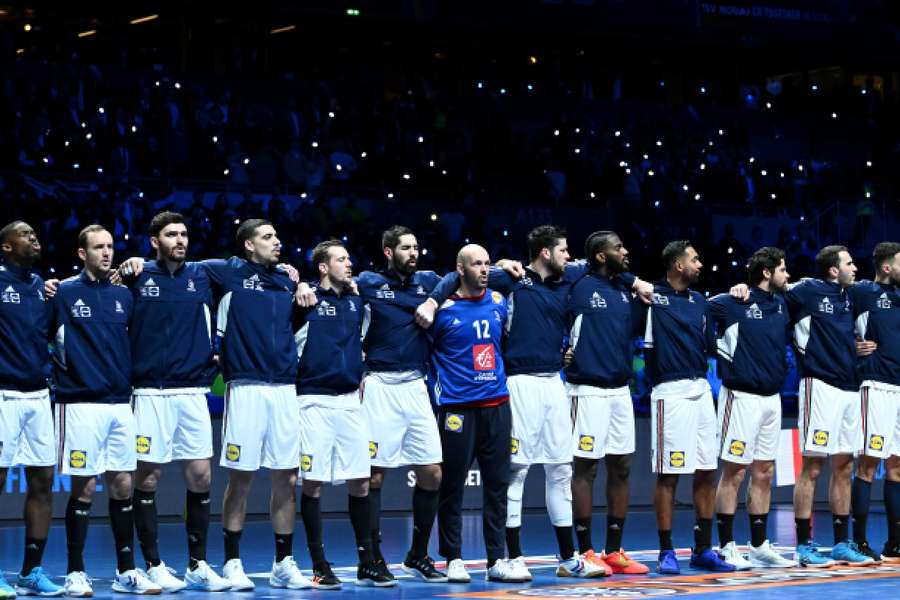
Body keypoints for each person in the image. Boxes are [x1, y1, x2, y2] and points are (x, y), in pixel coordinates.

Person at [420, 226, 654, 578]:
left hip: (554, 385)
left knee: (561, 468)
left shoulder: (569, 278)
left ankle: (568, 557)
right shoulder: (509, 279)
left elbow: (610, 268)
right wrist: (433, 300)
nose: (570, 257)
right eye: (563, 251)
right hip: (517, 384)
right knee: (516, 472)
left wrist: (636, 282)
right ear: (545, 253)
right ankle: (512, 556)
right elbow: (456, 276)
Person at [117, 212, 230, 591]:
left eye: (184, 234)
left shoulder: (203, 274)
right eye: (171, 234)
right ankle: (153, 564)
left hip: (192, 392)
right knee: (147, 477)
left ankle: (197, 565)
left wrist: (292, 273)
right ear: (154, 240)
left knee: (201, 476)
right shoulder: (137, 275)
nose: (180, 240)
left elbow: (252, 269)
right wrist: (127, 263)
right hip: (149, 392)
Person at [51, 225, 161, 596]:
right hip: (80, 403)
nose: (106, 252)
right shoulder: (62, 292)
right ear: (82, 253)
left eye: (110, 246)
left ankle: (126, 570)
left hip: (120, 403)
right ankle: (74, 571)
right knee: (83, 487)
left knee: (123, 484)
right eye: (98, 247)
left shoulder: (123, 295)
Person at [207, 219, 310, 590]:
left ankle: (284, 562)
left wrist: (303, 287)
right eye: (268, 237)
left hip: (284, 387)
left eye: (277, 236)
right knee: (242, 475)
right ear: (248, 245)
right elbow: (180, 269)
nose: (277, 242)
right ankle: (232, 562)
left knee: (287, 475)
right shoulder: (227, 273)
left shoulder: (287, 281)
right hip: (246, 386)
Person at [294, 240, 394, 588]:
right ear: (323, 267)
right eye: (340, 259)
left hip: (351, 401)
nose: (348, 263)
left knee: (361, 481)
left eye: (348, 257)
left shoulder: (357, 301)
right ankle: (320, 564)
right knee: (314, 483)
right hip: (312, 401)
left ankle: (367, 560)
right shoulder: (304, 301)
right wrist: (300, 285)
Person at [356, 226, 445, 582]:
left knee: (432, 472)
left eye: (416, 246)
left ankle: (418, 554)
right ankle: (372, 559)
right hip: (379, 384)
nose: (414, 252)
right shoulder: (367, 282)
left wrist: (434, 301)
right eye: (406, 247)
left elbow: (459, 274)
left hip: (416, 385)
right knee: (374, 476)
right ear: (388, 251)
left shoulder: (428, 282)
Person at [641, 240, 733, 575]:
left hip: (701, 390)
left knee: (707, 470)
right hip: (670, 392)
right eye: (695, 259)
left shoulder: (701, 302)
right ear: (678, 265)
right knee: (669, 475)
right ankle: (666, 551)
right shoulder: (653, 298)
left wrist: (738, 291)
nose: (701, 265)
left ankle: (703, 548)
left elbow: (713, 345)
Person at [429, 244, 517, 583]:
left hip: (497, 405)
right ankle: (453, 557)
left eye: (487, 263)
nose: (484, 269)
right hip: (457, 409)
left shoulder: (498, 301)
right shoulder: (443, 310)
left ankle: (497, 559)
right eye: (476, 264)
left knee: (497, 486)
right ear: (460, 269)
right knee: (451, 486)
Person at [565, 231, 650, 575]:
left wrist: (632, 280)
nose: (626, 251)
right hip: (586, 390)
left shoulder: (624, 291)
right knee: (586, 467)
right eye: (618, 247)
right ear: (600, 256)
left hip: (620, 392)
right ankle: (585, 551)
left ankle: (613, 550)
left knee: (622, 466)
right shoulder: (577, 284)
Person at [708, 247, 798, 568]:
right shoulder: (733, 302)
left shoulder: (782, 305)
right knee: (735, 470)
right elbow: (700, 312)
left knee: (764, 471)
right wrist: (733, 288)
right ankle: (726, 545)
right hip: (740, 397)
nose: (787, 276)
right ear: (766, 272)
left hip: (771, 399)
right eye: (783, 270)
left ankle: (759, 546)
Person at [786, 245, 873, 566]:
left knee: (845, 466)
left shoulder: (854, 296)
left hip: (850, 389)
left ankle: (840, 543)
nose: (855, 267)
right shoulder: (808, 290)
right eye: (849, 263)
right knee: (812, 465)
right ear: (833, 269)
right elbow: (775, 288)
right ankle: (804, 544)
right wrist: (743, 288)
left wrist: (857, 347)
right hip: (819, 386)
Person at [0, 221, 63, 597]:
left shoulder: (43, 288)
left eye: (36, 234)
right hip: (2, 394)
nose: (34, 237)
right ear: (6, 247)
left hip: (39, 396)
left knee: (42, 483)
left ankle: (31, 572)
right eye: (25, 234)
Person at [848, 242, 900, 562]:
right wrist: (848, 344)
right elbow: (818, 301)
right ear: (886, 267)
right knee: (868, 464)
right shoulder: (863, 292)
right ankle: (859, 541)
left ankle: (895, 542)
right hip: (876, 386)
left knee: (897, 466)